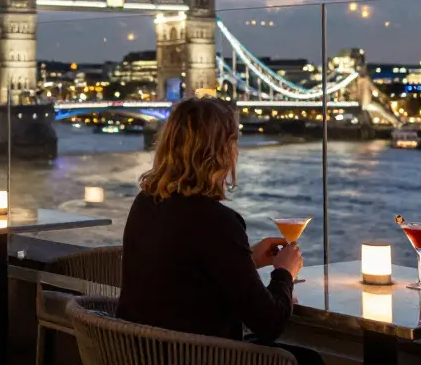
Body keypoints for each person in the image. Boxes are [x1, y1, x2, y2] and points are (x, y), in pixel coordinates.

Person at [117, 98, 319, 365]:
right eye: (234, 142)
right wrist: (284, 272)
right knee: (308, 361)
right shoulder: (218, 221)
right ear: (222, 151)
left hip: (139, 354)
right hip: (196, 357)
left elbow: (187, 276)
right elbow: (270, 323)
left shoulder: (145, 202)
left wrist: (248, 260)